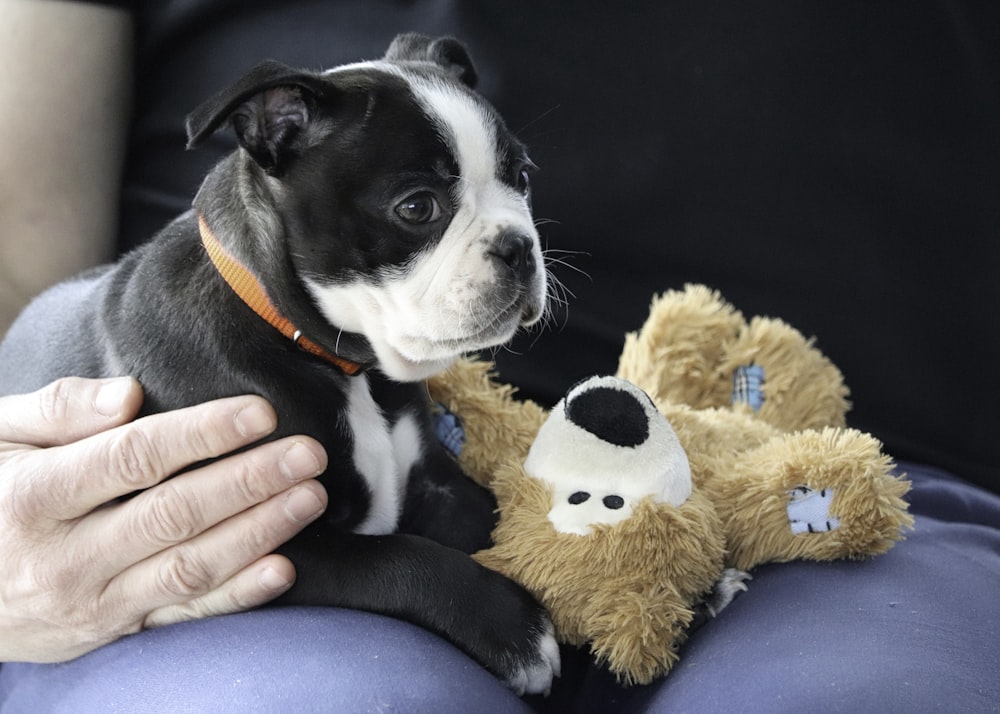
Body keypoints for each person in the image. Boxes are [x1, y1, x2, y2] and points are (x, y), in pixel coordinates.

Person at [1, 1, 998, 712]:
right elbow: (12, 267)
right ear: (269, 135)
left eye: (510, 183)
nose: (513, 239)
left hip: (811, 481)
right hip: (195, 563)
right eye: (423, 208)